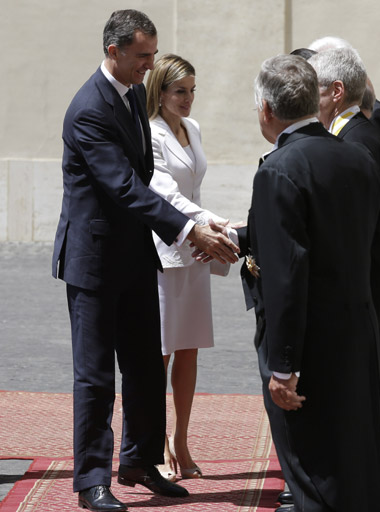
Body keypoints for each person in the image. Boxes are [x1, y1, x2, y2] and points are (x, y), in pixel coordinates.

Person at [52, 9, 238, 512]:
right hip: (92, 261)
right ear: (113, 51)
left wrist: (193, 222)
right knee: (95, 375)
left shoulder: (135, 94)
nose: (149, 66)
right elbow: (122, 186)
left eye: (153, 56)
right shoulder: (88, 108)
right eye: (142, 57)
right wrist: (186, 228)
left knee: (143, 367)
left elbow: (147, 178)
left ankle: (139, 461)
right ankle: (92, 478)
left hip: (135, 253)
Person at [236, 54, 380, 512]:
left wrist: (283, 365)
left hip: (306, 350)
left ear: (266, 108)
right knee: (347, 475)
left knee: (312, 480)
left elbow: (286, 277)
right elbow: (373, 247)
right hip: (356, 336)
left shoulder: (278, 168)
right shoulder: (357, 155)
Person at [308, 48, 380, 474]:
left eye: (313, 88)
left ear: (336, 92)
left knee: (355, 394)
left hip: (358, 292)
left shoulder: (356, 141)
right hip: (368, 291)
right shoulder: (359, 136)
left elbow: (378, 230)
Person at [145, 54, 231, 481]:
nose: (188, 99)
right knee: (160, 349)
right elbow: (163, 194)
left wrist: (208, 223)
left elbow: (193, 186)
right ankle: (156, 441)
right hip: (167, 244)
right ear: (159, 92)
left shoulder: (192, 128)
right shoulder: (151, 133)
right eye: (180, 91)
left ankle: (181, 437)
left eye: (193, 90)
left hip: (197, 247)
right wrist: (206, 222)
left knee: (189, 345)